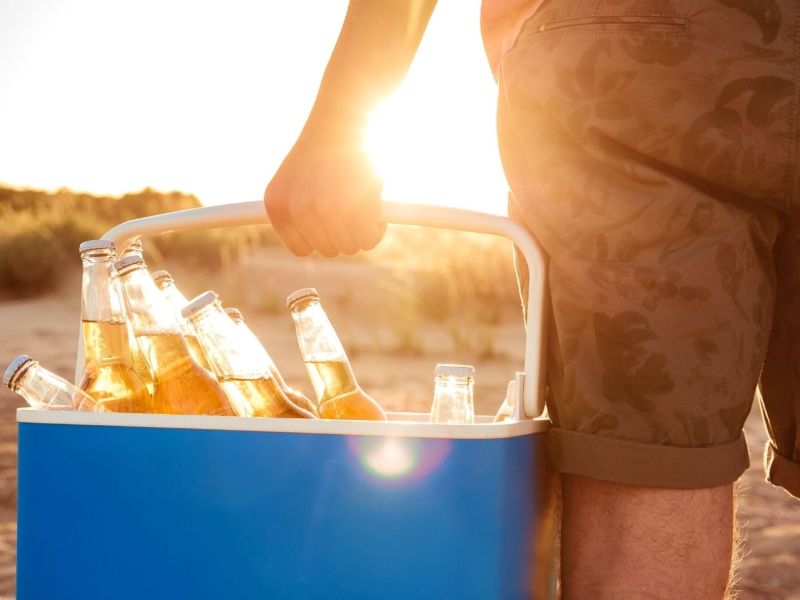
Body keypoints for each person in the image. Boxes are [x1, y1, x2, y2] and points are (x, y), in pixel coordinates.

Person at [265, 1, 800, 597]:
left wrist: (340, 126)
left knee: (643, 465)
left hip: (628, 62)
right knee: (645, 460)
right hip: (628, 68)